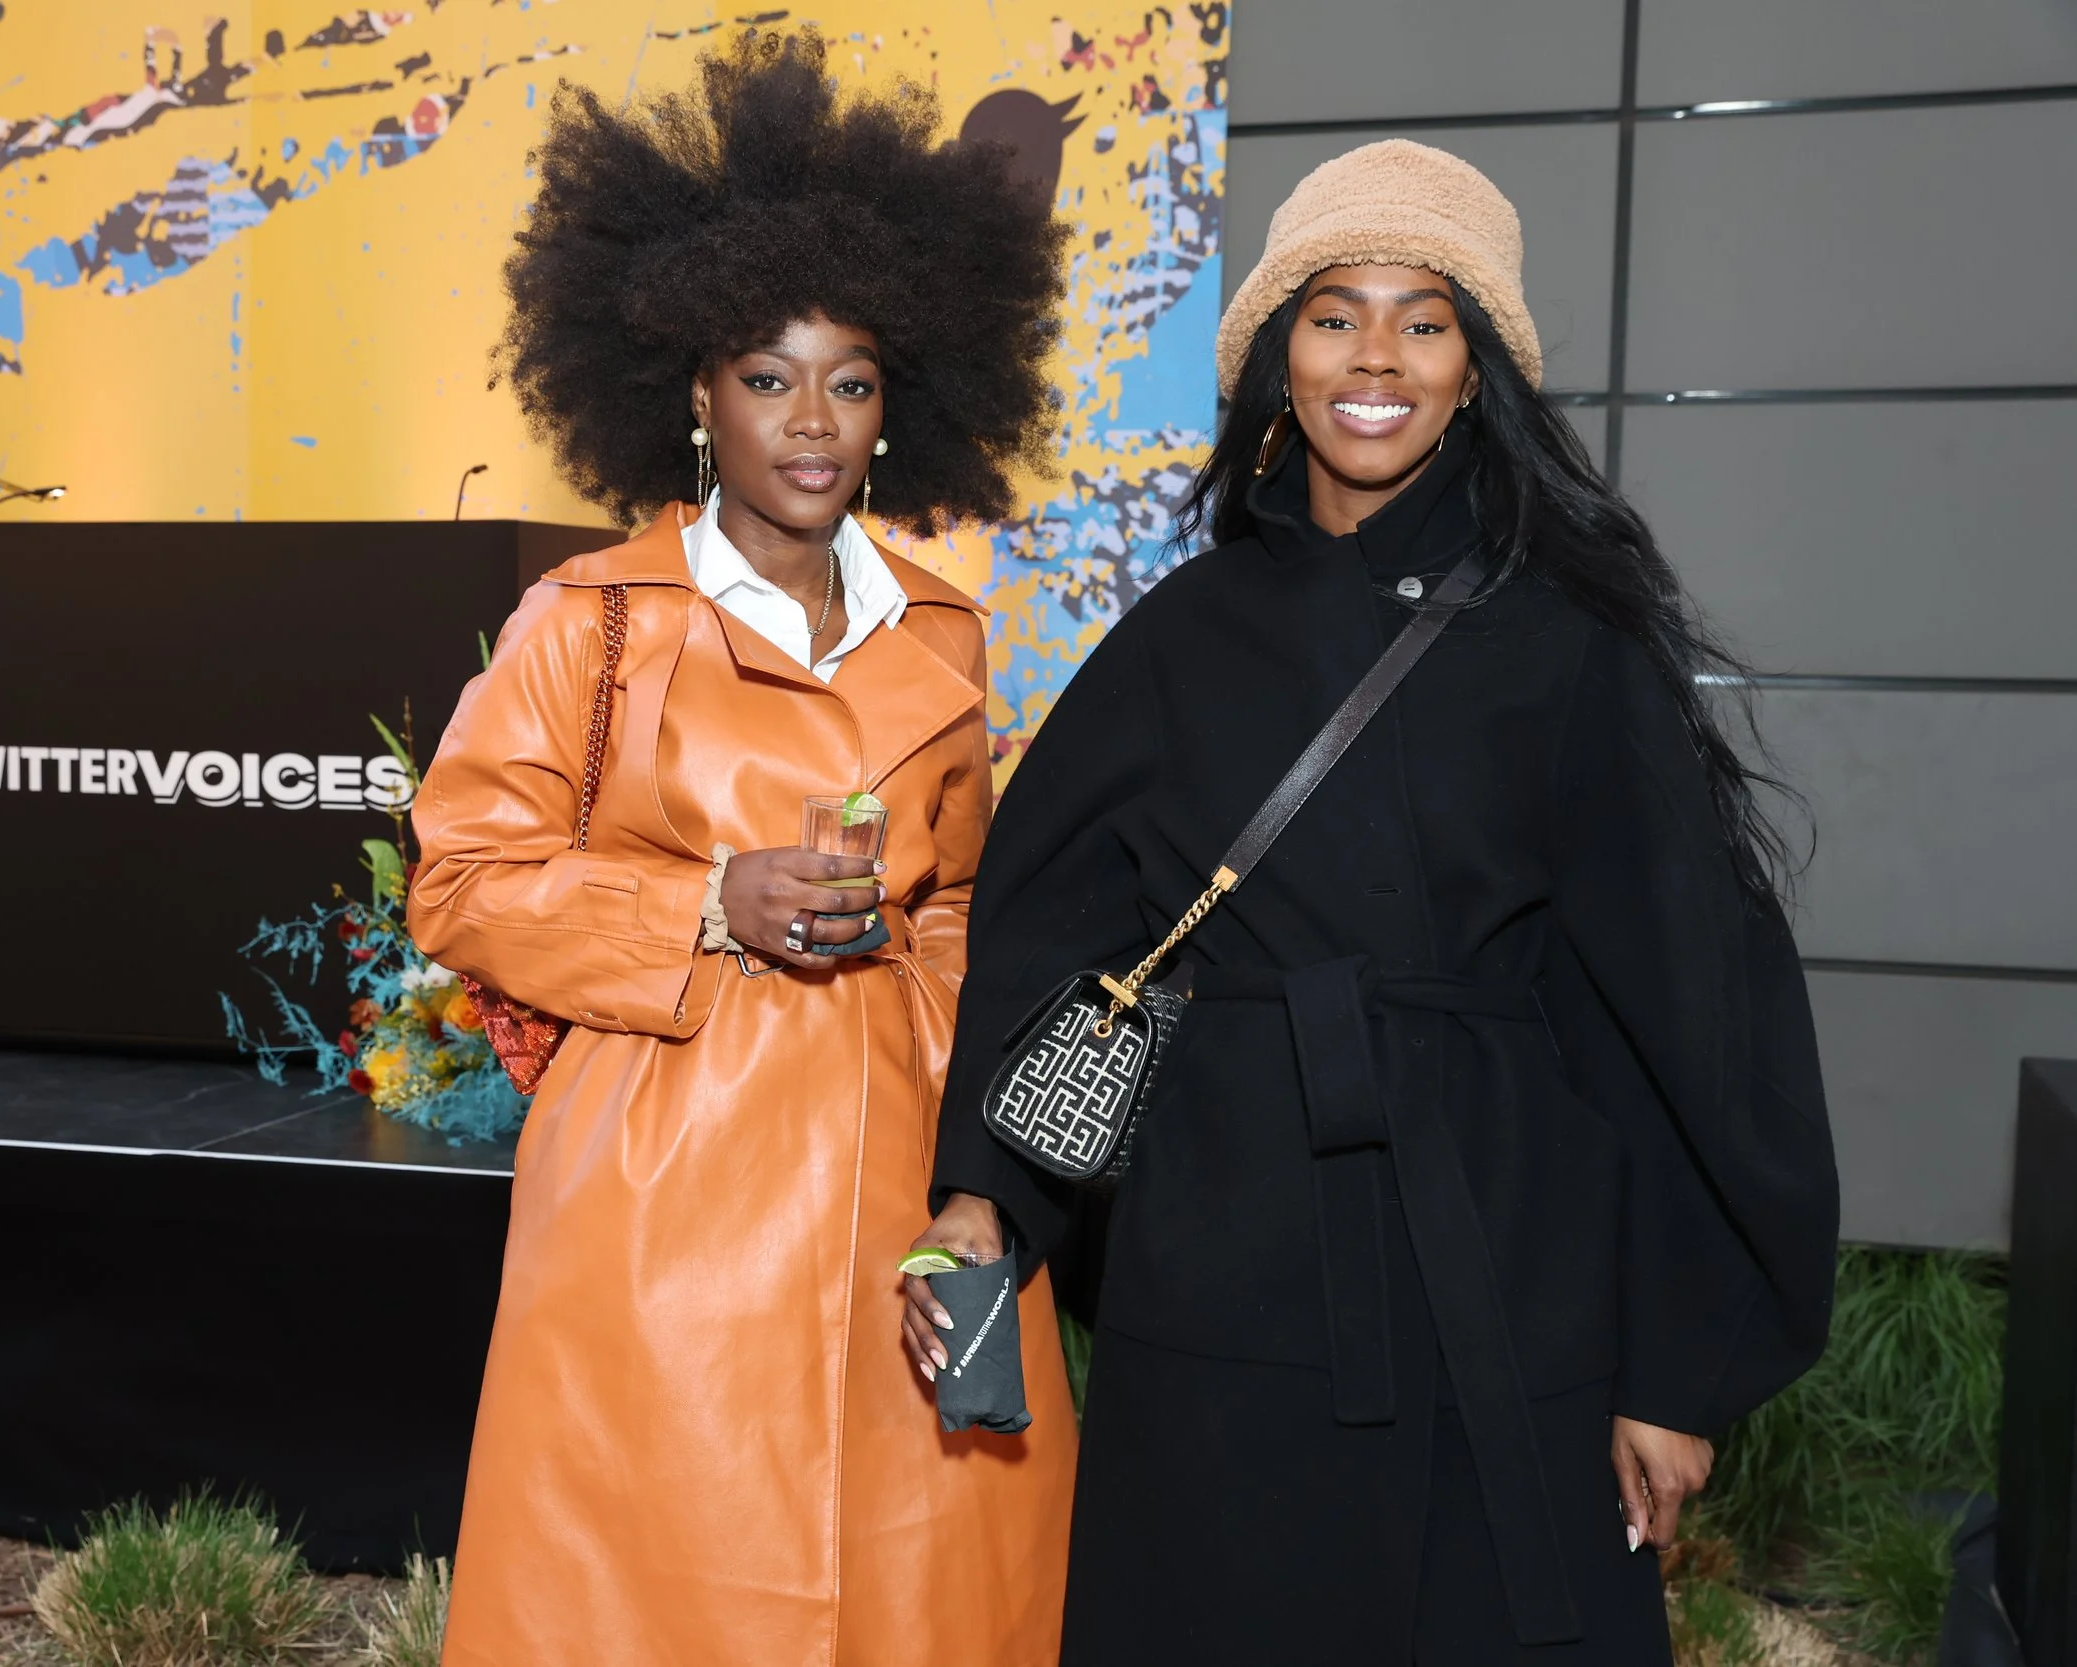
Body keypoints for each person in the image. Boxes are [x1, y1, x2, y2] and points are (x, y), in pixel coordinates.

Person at [909, 139, 1842, 1662]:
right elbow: (1052, 937)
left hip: (1503, 1271)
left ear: (1476, 373)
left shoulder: (1567, 639)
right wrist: (983, 1199)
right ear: (1281, 358)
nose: (1377, 359)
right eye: (1335, 314)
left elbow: (1690, 1008)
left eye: (1426, 320)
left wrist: (1675, 1370)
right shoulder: (1184, 635)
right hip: (1220, 1259)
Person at [409, 33, 1077, 1667]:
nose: (812, 420)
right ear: (695, 397)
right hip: (663, 1185)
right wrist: (710, 900)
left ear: (898, 404)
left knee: (925, 1587)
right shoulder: (591, 622)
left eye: (850, 379)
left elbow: (964, 906)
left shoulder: (944, 628)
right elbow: (461, 881)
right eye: (768, 378)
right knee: (659, 1584)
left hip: (905, 1181)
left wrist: (980, 1174)